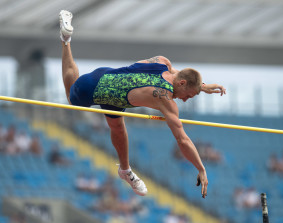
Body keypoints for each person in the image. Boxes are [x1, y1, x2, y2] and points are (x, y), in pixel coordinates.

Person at [59, 10, 226, 198]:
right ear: (181, 84)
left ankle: (125, 171)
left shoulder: (162, 62)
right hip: (94, 88)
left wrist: (201, 87)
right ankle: (66, 41)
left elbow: (181, 74)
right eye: (189, 95)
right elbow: (182, 140)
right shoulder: (165, 99)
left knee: (118, 128)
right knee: (71, 95)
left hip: (110, 81)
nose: (186, 99)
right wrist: (201, 168)